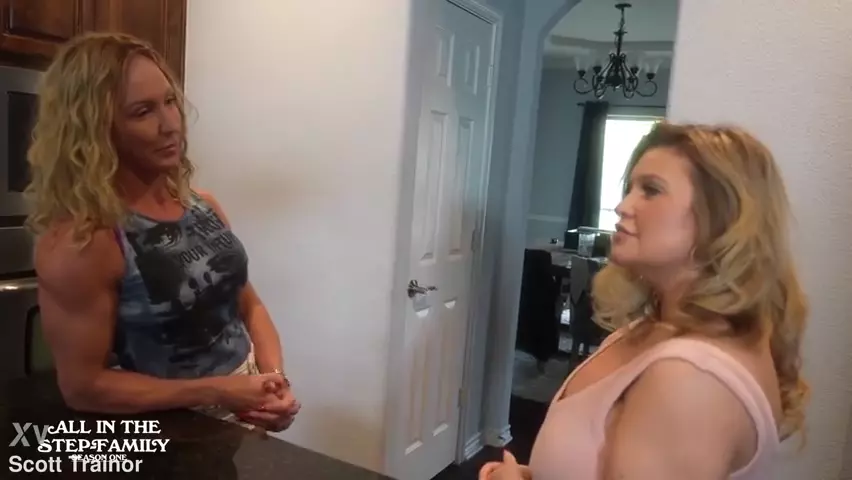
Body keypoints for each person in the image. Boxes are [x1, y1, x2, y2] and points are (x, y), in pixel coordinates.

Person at [480, 123, 808, 479]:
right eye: (630, 189)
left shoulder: (693, 378)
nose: (622, 206)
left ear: (721, 217)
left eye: (651, 190)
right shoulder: (654, 329)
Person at [26, 32, 300, 432]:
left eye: (170, 102)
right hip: (166, 433)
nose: (171, 125)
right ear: (95, 130)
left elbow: (249, 305)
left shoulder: (203, 205)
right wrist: (219, 392)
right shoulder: (84, 241)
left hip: (239, 410)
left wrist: (273, 382)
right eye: (143, 112)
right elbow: (83, 388)